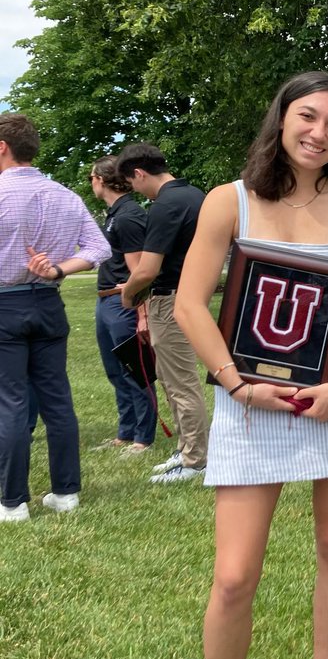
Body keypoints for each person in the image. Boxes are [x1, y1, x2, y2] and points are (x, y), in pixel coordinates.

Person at [174, 72, 328, 659]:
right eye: (308, 117)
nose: (320, 133)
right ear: (282, 119)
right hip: (249, 405)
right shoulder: (228, 201)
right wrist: (236, 385)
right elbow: (189, 305)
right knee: (234, 575)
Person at [0, 114, 110, 522]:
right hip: (48, 303)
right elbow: (99, 248)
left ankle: (12, 502)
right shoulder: (65, 195)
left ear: (2, 147)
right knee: (57, 399)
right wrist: (59, 269)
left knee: (10, 401)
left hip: (6, 304)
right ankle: (66, 492)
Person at [118, 142, 209, 482]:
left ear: (139, 173)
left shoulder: (165, 205)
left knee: (180, 382)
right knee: (173, 379)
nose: (134, 189)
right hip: (190, 294)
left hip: (171, 300)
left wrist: (128, 294)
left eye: (131, 182)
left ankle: (195, 460)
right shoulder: (195, 196)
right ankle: (185, 449)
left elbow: (147, 269)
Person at [89, 155, 158, 455]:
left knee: (134, 370)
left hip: (123, 304)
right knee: (115, 371)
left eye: (91, 177)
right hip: (106, 302)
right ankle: (125, 432)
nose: (91, 183)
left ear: (101, 180)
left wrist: (141, 313)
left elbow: (139, 270)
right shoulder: (114, 214)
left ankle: (143, 437)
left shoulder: (128, 216)